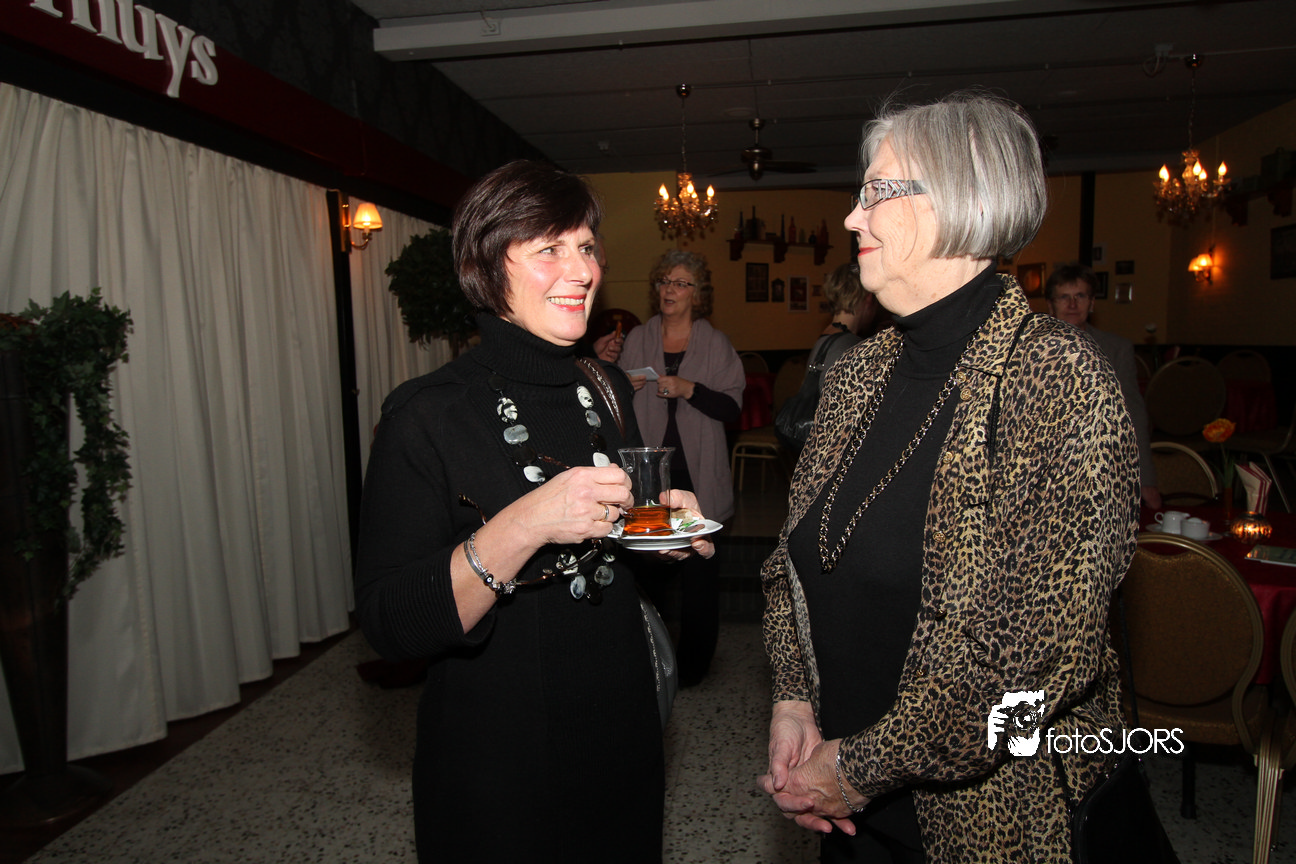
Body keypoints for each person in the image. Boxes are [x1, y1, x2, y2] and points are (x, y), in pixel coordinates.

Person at [758, 92, 1140, 863]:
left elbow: (1041, 661)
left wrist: (858, 770)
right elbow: (788, 564)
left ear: (964, 201)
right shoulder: (856, 375)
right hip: (845, 802)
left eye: (876, 192)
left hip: (989, 820)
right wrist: (794, 698)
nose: (852, 218)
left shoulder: (1059, 378)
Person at [354, 160, 714, 864]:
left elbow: (617, 557)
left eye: (586, 247)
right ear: (487, 268)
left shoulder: (606, 387)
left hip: (620, 728)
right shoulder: (427, 414)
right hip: (496, 756)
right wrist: (525, 523)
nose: (581, 270)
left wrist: (660, 535)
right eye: (550, 248)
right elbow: (390, 623)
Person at [619, 250, 745, 685]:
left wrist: (691, 389)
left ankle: (693, 668)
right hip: (650, 477)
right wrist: (622, 384)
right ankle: (649, 660)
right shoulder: (638, 337)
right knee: (648, 571)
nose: (669, 289)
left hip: (699, 475)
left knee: (699, 574)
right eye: (664, 281)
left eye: (680, 282)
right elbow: (613, 407)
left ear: (697, 293)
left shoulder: (716, 343)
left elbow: (732, 408)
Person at [1045, 264, 1161, 509]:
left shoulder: (1117, 350)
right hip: (1046, 473)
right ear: (1051, 306)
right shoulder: (1031, 349)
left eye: (1080, 296)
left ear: (1092, 303)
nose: (1072, 304)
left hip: (1102, 470)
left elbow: (1134, 415)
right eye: (1064, 297)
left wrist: (1146, 478)